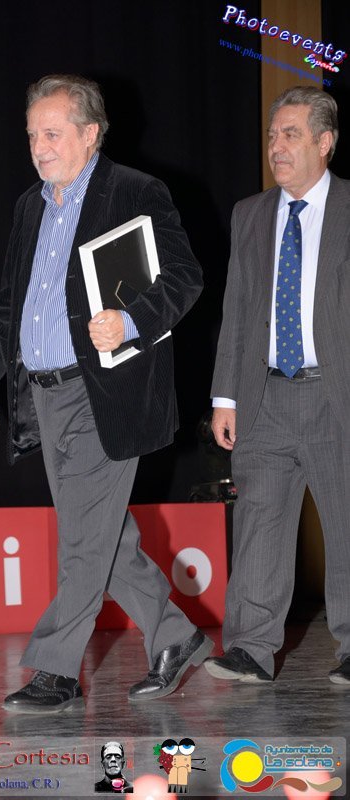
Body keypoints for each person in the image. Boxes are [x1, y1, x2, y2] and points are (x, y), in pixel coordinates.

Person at [0, 74, 212, 713]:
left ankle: (56, 671)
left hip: (107, 390)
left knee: (82, 543)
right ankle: (176, 637)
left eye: (52, 134)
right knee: (101, 537)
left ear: (91, 133)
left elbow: (185, 276)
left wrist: (131, 320)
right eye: (32, 135)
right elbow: (11, 304)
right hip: (45, 396)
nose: (39, 148)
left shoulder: (134, 191)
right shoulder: (29, 207)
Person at [205, 86, 350, 686]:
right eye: (272, 136)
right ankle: (249, 648)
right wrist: (225, 397)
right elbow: (236, 309)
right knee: (259, 524)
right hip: (264, 395)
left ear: (325, 141)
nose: (276, 147)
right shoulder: (250, 213)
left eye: (291, 134)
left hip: (337, 395)